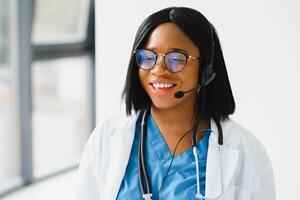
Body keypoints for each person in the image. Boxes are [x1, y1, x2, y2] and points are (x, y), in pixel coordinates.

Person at [75, 7, 276, 200]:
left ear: (206, 69)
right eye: (148, 57)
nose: (159, 69)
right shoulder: (106, 139)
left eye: (177, 59)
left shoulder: (246, 151)